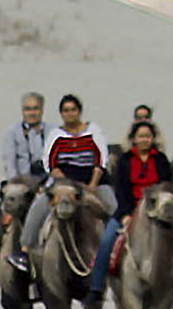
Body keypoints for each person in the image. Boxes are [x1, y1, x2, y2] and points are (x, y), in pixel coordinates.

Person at [89, 120, 173, 301]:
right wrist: (126, 215)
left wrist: (163, 208)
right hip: (130, 209)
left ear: (153, 139)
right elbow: (121, 190)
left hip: (158, 210)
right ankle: (96, 288)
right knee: (107, 241)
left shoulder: (160, 159)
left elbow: (167, 186)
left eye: (148, 136)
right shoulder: (125, 161)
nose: (144, 140)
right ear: (134, 139)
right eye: (141, 137)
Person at [20, 94, 113, 259]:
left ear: (79, 111)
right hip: (64, 183)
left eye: (73, 110)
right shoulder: (56, 135)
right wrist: (67, 184)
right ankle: (25, 251)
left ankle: (117, 250)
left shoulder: (93, 131)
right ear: (61, 114)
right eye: (66, 111)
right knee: (38, 207)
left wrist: (92, 185)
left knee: (114, 207)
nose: (70, 114)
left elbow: (101, 160)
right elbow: (50, 164)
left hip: (93, 181)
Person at [0, 92, 51, 292]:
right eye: (28, 109)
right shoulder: (12, 133)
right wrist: (16, 185)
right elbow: (9, 162)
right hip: (19, 187)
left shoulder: (53, 132)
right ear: (22, 111)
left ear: (42, 110)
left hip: (44, 187)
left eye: (35, 108)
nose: (32, 113)